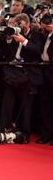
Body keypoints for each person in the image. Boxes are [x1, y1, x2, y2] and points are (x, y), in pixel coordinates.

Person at [0, 13, 43, 140]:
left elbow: (38, 51)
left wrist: (24, 41)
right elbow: (6, 53)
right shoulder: (12, 35)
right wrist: (8, 39)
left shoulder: (36, 35)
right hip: (12, 74)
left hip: (28, 75)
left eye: (21, 24)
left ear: (28, 24)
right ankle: (3, 129)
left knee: (26, 106)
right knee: (7, 102)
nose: (19, 27)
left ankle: (24, 133)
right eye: (16, 24)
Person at [36, 15, 53, 145]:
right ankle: (46, 135)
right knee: (45, 104)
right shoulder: (45, 35)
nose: (47, 25)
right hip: (44, 71)